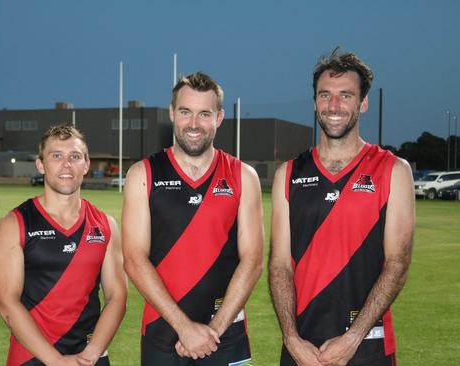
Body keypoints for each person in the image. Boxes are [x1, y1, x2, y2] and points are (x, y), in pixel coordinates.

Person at [268, 49, 415, 366]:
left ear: (363, 103)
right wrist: (291, 338)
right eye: (325, 95)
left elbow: (397, 263)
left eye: (345, 95)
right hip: (301, 348)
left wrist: (353, 337)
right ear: (315, 103)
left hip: (366, 346)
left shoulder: (393, 171)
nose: (334, 105)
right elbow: (280, 265)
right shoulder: (288, 175)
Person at [122, 72, 264, 365]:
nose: (194, 124)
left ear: (219, 117)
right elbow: (134, 259)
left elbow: (253, 260)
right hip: (162, 334)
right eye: (185, 112)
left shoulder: (243, 176)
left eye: (204, 114)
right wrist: (184, 328)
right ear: (173, 113)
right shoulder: (143, 175)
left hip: (227, 336)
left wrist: (214, 330)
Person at [0, 125, 127, 366]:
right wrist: (55, 361)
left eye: (75, 156)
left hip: (89, 357)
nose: (66, 164)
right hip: (31, 357)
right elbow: (7, 305)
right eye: (56, 156)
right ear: (41, 164)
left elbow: (117, 296)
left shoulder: (106, 225)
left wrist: (92, 353)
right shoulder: (15, 224)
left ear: (86, 165)